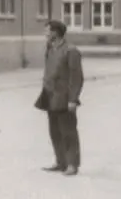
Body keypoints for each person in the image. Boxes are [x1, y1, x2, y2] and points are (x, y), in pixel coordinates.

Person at [38, 19, 84, 177]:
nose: (45, 34)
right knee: (54, 131)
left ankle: (72, 164)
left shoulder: (71, 51)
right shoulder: (50, 48)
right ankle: (60, 161)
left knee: (68, 131)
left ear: (55, 33)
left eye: (47, 31)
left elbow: (76, 78)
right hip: (51, 97)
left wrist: (73, 99)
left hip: (65, 98)